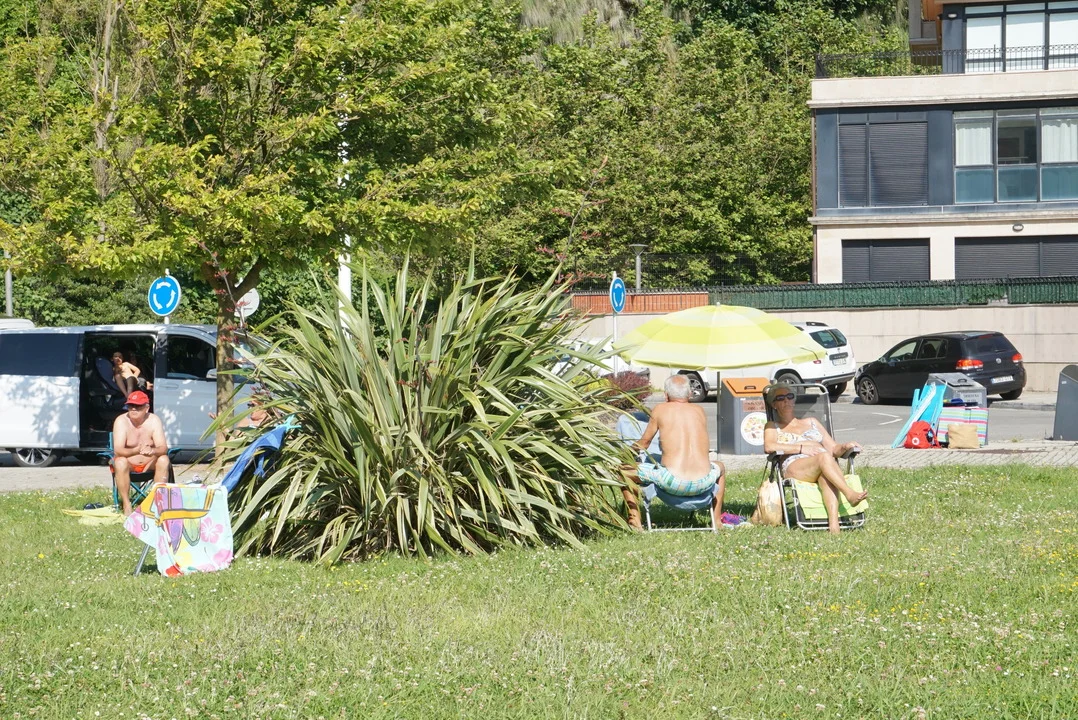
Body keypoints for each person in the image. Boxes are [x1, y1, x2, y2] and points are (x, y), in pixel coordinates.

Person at [622, 375, 726, 530]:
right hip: (704, 482)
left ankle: (635, 521)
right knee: (720, 466)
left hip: (673, 482)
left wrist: (625, 453)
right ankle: (716, 521)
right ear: (690, 394)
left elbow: (644, 444)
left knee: (624, 470)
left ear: (666, 395)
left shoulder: (660, 409)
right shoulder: (699, 411)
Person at [762, 385, 867, 534]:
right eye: (780, 398)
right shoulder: (773, 426)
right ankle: (849, 493)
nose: (786, 400)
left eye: (789, 396)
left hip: (822, 464)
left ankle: (834, 526)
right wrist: (801, 448)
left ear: (794, 400)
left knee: (825, 474)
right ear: (774, 404)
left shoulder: (812, 422)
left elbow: (833, 449)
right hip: (795, 466)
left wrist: (845, 446)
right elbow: (769, 446)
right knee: (824, 457)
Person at [112, 390, 170, 516]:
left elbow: (163, 448)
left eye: (138, 406)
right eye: (130, 405)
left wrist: (152, 450)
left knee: (164, 459)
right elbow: (118, 450)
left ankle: (157, 503)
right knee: (120, 461)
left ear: (146, 408)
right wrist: (136, 450)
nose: (133, 409)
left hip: (150, 464)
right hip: (129, 465)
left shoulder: (154, 420)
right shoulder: (121, 421)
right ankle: (127, 505)